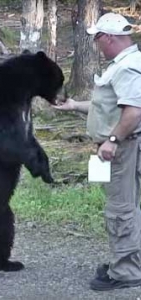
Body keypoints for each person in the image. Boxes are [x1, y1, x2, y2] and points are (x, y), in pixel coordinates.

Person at [54, 13, 141, 291]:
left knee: (120, 209)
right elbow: (110, 107)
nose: (96, 44)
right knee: (129, 206)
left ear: (109, 38)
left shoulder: (127, 67)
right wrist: (75, 106)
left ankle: (126, 272)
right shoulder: (123, 64)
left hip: (123, 149)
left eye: (97, 38)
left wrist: (112, 140)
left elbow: (133, 112)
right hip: (124, 145)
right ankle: (128, 261)